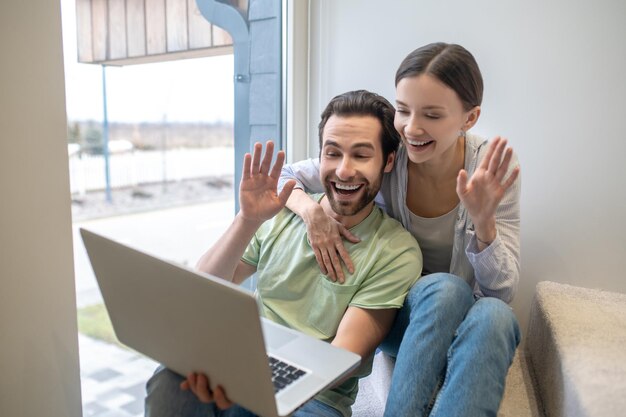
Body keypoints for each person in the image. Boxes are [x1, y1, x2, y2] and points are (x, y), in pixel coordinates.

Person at [144, 90, 422, 417]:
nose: (344, 171)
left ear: (387, 161)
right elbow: (204, 287)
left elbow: (344, 359)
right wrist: (247, 219)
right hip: (243, 363)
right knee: (169, 381)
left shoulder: (395, 250)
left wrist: (254, 386)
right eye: (333, 154)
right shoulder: (283, 214)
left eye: (361, 155)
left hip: (317, 399)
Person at [278, 42, 522, 416]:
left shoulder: (489, 169)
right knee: (446, 288)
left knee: (497, 316)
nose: (412, 128)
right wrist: (313, 214)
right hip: (402, 312)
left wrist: (485, 223)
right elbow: (285, 176)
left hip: (466, 313)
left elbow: (501, 291)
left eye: (432, 115)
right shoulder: (388, 154)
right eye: (403, 110)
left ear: (469, 118)